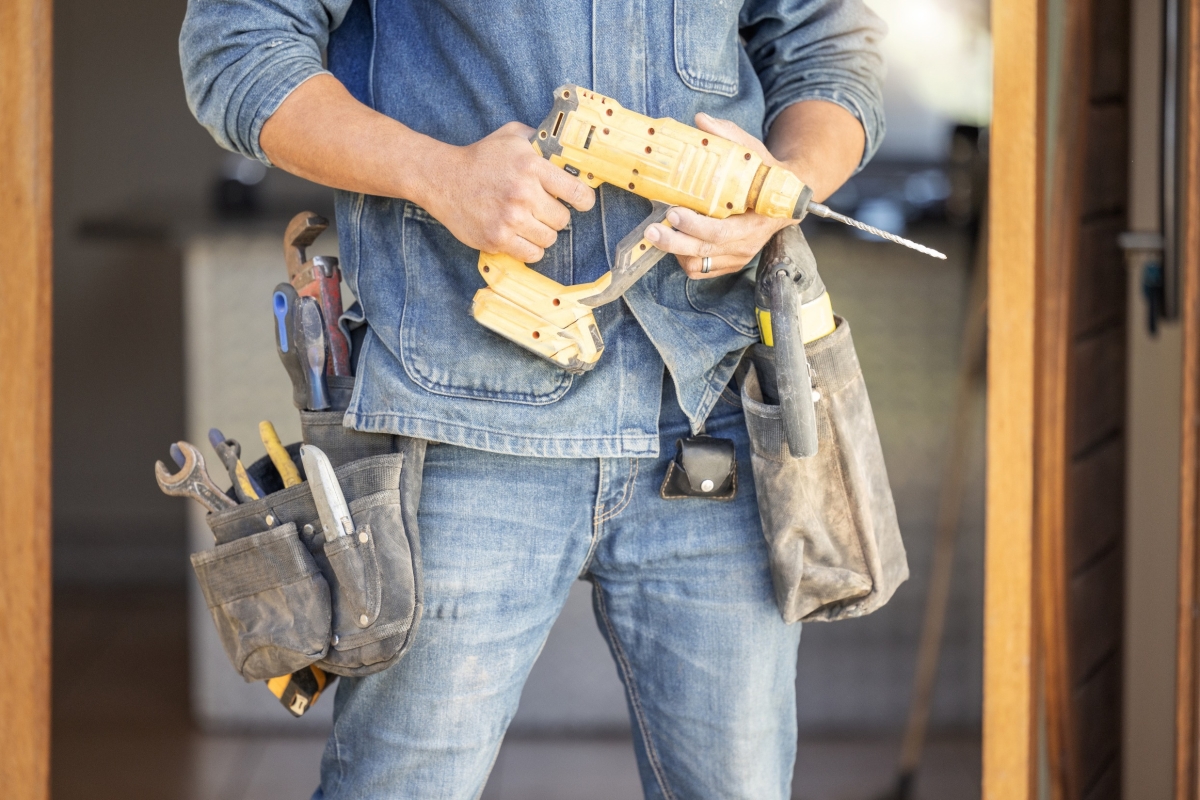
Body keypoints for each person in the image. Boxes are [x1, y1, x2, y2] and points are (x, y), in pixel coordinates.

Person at [180, 1, 885, 796]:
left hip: (706, 414)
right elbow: (235, 48)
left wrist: (785, 187)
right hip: (459, 427)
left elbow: (828, 50)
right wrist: (438, 174)